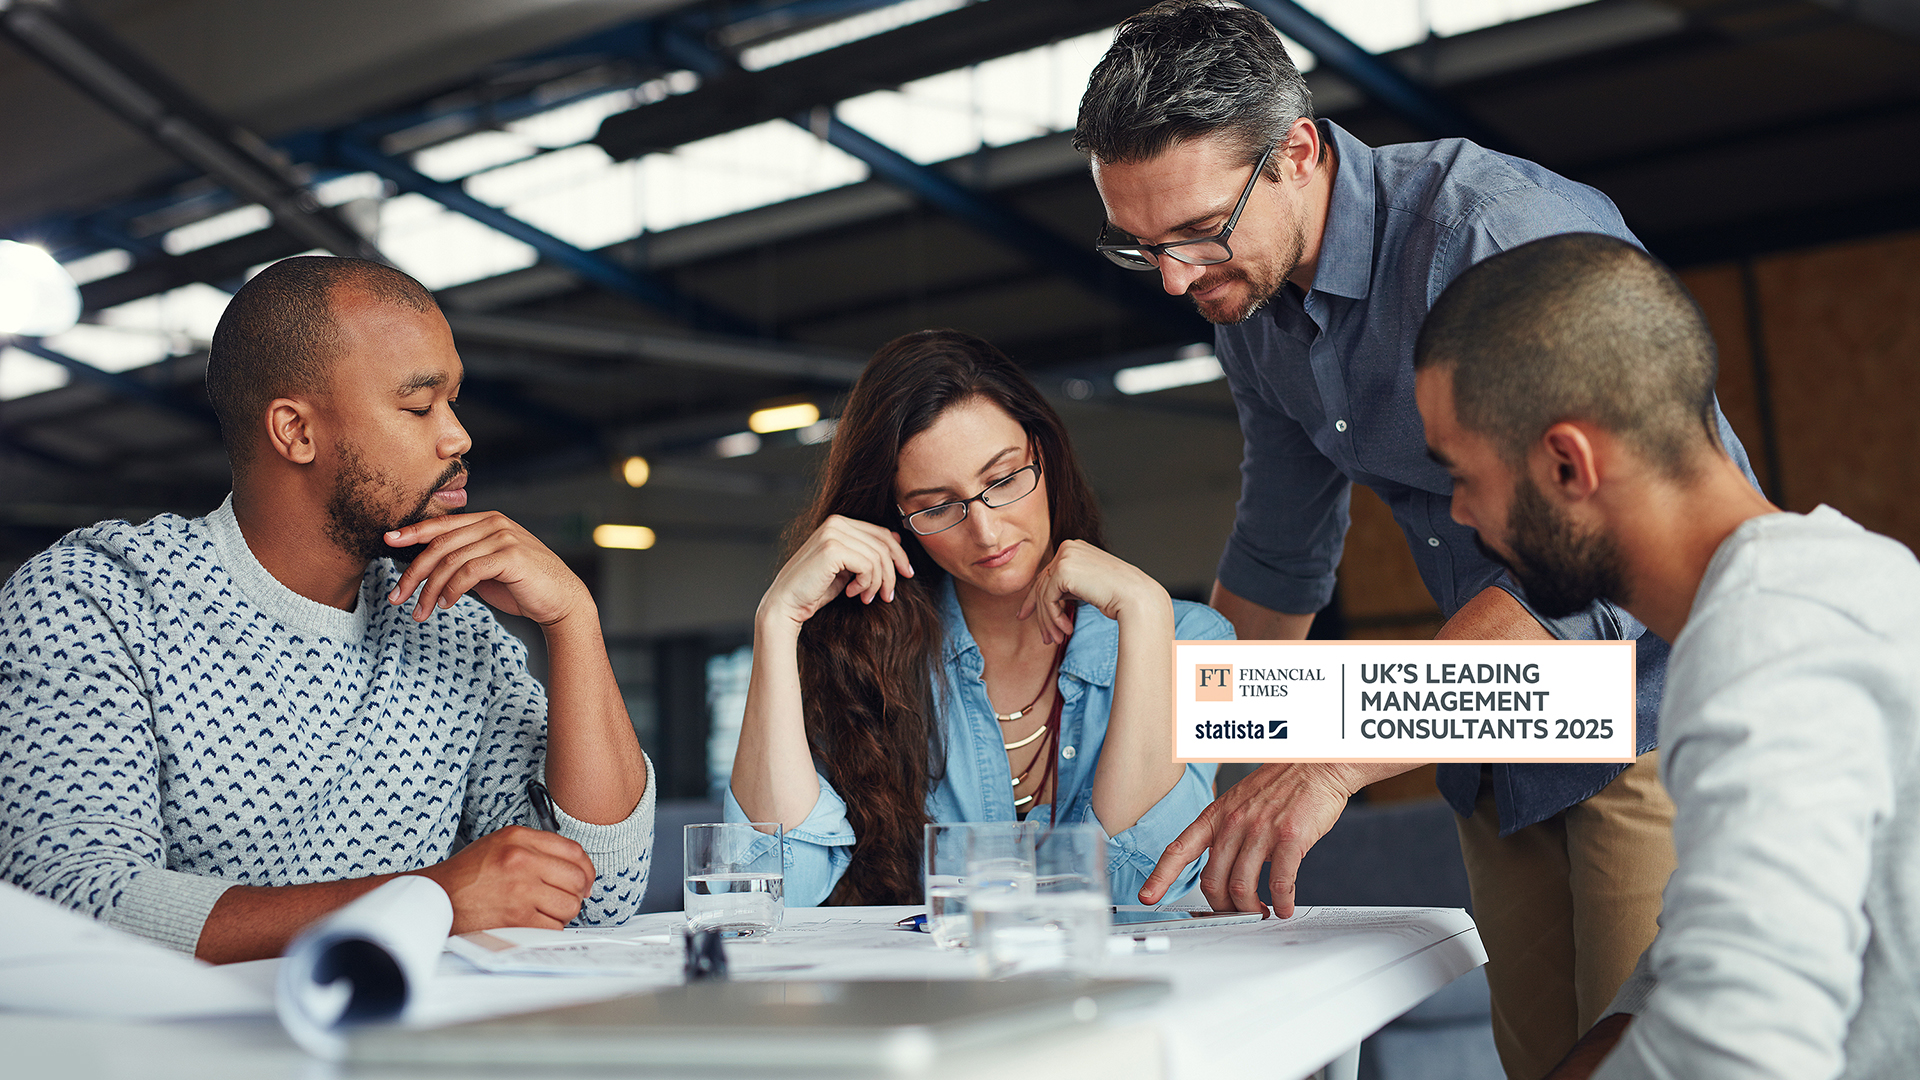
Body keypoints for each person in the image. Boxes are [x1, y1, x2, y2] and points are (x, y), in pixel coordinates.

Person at [1074, 4, 1756, 1075]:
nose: (1174, 277)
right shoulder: (1248, 306)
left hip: (1653, 709)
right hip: (1494, 738)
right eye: (1141, 245)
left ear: (1298, 152)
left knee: (1655, 1061)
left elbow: (1604, 554)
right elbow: (1279, 556)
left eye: (1199, 229)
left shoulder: (1492, 234)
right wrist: (1172, 771)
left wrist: (1333, 754)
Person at [0, 256, 654, 962]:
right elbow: (72, 901)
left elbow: (595, 899)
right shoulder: (95, 600)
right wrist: (428, 901)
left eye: (453, 401)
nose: (458, 436)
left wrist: (572, 622)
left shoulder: (453, 626)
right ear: (295, 432)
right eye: (418, 406)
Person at [1415, 231, 1920, 1080]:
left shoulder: (1769, 645)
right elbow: (1702, 956)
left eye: (1463, 476)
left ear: (1567, 464)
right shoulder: (1829, 583)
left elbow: (1738, 1052)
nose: (1460, 515)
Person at [726, 329, 1231, 906]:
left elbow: (1143, 887)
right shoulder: (861, 655)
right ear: (894, 519)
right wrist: (777, 621)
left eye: (1004, 480)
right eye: (939, 506)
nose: (987, 532)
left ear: (1045, 454)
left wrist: (1144, 611)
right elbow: (770, 890)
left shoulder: (1192, 639)